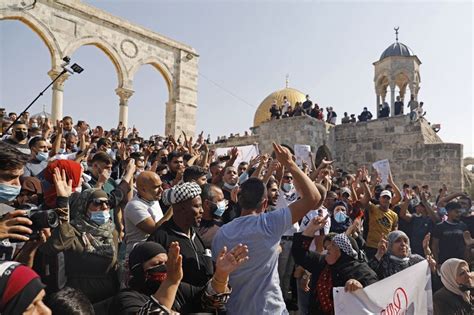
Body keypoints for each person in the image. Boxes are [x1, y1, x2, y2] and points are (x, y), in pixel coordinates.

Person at [211, 142, 324, 315]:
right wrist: (290, 164)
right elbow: (314, 197)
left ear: (239, 200)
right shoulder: (270, 223)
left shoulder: (221, 233)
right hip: (270, 310)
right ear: (265, 204)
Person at [111, 241, 247, 314]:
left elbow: (209, 300)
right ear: (138, 270)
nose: (164, 268)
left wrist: (221, 275)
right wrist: (171, 281)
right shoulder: (127, 298)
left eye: (166, 263)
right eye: (157, 264)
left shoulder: (179, 288)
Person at [41, 189, 120, 303]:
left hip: (107, 298)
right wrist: (63, 202)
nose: (104, 207)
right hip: (79, 298)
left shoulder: (112, 232)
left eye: (107, 203)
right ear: (84, 206)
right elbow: (55, 246)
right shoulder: (73, 230)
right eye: (97, 202)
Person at [292, 218, 378, 315]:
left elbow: (375, 294)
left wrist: (360, 287)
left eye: (333, 245)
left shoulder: (360, 271)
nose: (327, 248)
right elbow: (299, 254)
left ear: (343, 250)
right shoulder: (322, 262)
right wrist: (311, 229)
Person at [147, 182, 213, 287]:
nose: (202, 211)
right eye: (197, 206)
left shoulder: (194, 234)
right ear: (180, 209)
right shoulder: (161, 238)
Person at [124, 171, 166, 258]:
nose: (161, 190)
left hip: (155, 254)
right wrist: (174, 208)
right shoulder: (134, 206)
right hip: (140, 257)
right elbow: (155, 230)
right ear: (143, 189)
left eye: (161, 185)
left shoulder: (153, 199)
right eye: (156, 187)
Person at [196, 183, 226, 249]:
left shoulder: (219, 222)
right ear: (207, 203)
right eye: (219, 200)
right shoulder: (197, 229)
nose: (223, 203)